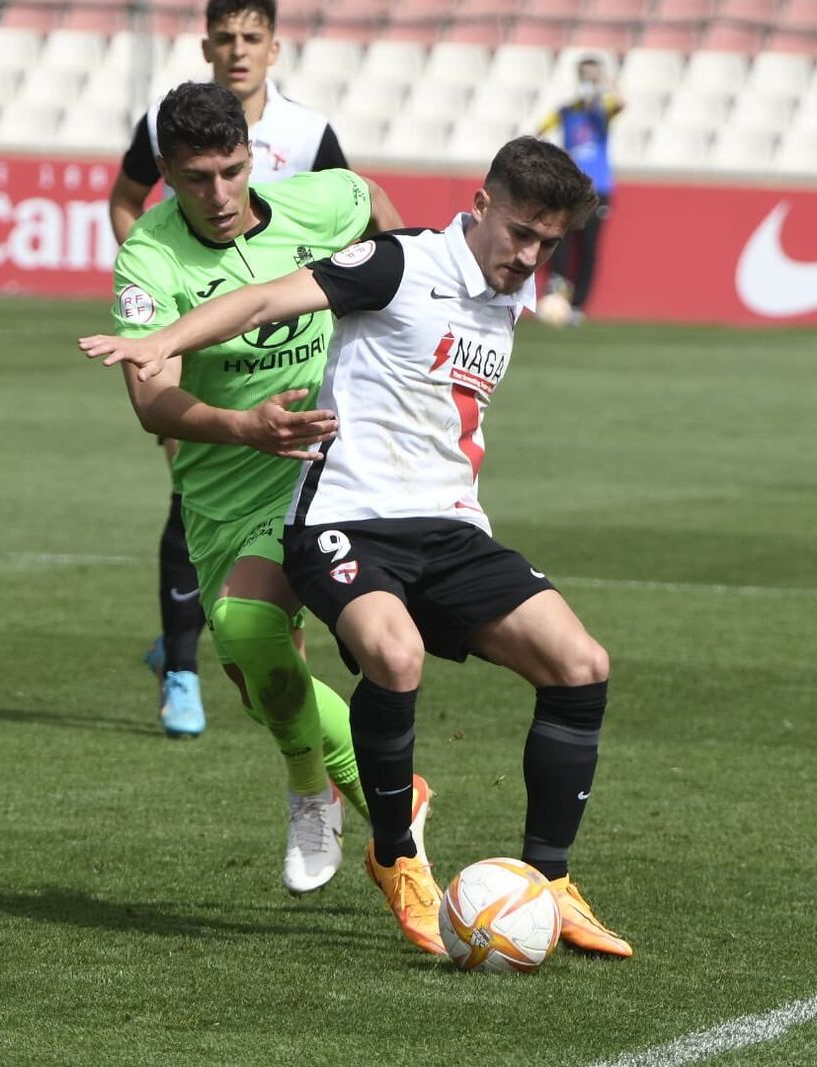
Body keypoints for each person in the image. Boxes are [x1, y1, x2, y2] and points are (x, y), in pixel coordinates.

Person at [80, 136, 633, 960]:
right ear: (479, 208)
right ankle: (396, 854)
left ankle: (550, 880)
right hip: (342, 517)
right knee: (393, 652)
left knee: (582, 663)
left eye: (549, 243)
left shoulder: (504, 294)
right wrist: (165, 343)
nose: (530, 255)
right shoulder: (400, 263)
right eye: (520, 232)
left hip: (449, 526)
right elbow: (269, 299)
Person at [94, 80, 415, 896]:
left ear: (251, 157)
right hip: (223, 487)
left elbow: (376, 205)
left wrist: (400, 320)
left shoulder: (319, 201)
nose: (220, 194)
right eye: (197, 178)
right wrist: (244, 426)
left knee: (247, 621)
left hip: (328, 469)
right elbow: (149, 400)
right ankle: (392, 792)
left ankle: (319, 794)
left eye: (232, 171)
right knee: (256, 673)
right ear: (165, 171)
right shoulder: (150, 258)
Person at [110, 0, 348, 739]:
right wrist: (153, 296)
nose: (218, 196)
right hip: (217, 389)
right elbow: (126, 203)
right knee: (255, 646)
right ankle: (191, 661)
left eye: (252, 37)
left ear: (275, 47)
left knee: (378, 638)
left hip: (330, 439)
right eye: (226, 37)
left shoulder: (310, 141)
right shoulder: (160, 134)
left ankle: (372, 780)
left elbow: (375, 229)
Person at [533, 55, 622, 326]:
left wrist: (602, 81)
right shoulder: (566, 110)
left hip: (598, 189)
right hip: (570, 186)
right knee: (556, 234)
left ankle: (577, 306)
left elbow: (621, 103)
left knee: (588, 247)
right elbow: (540, 131)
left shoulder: (602, 110)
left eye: (590, 75)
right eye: (583, 75)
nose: (587, 79)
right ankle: (558, 285)